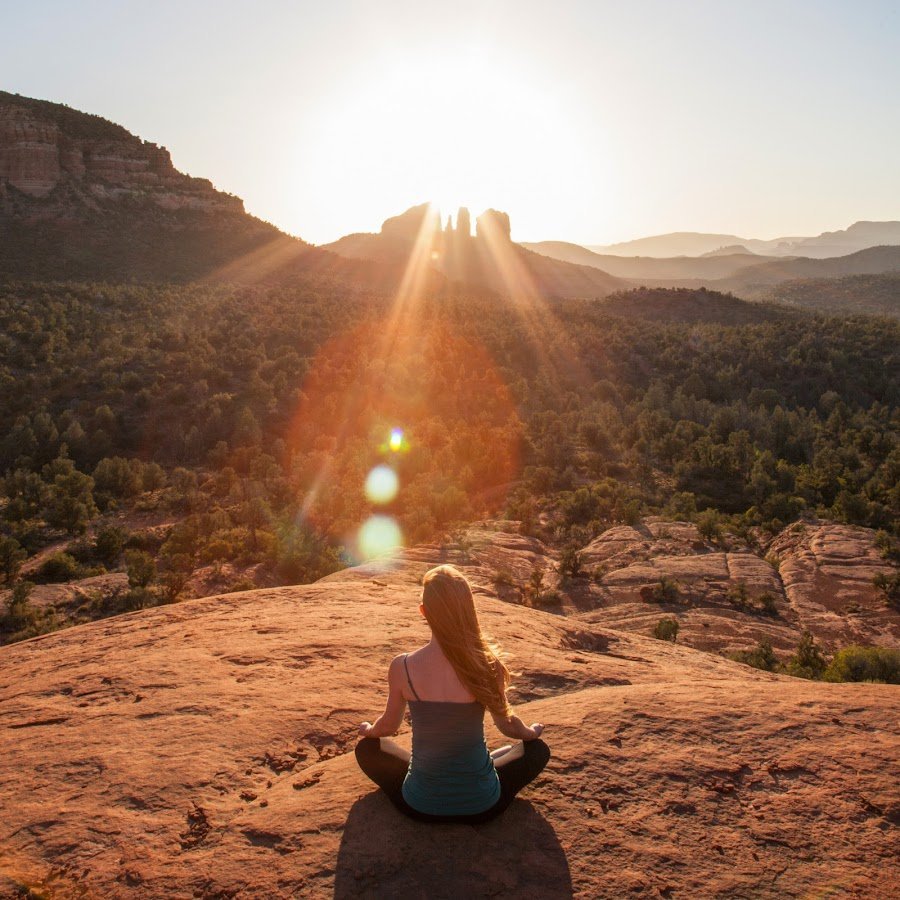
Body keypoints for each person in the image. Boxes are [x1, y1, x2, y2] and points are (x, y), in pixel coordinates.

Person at [355, 564, 550, 824]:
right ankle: (480, 765)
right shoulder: (486, 665)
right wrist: (531, 733)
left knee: (367, 749)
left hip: (420, 805)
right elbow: (508, 726)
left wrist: (369, 730)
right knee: (537, 751)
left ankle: (436, 770)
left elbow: (388, 726)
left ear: (423, 612)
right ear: (468, 609)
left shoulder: (402, 666)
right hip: (482, 805)